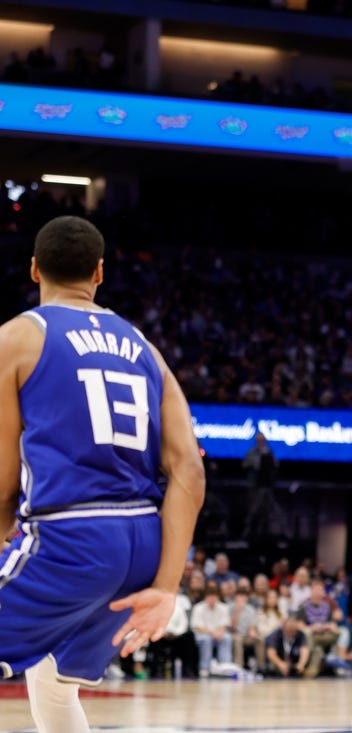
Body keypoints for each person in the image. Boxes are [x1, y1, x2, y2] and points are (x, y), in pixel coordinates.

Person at [0, 215, 205, 732]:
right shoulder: (145, 348)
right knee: (50, 679)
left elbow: (2, 479)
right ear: (99, 273)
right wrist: (165, 585)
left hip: (72, 534)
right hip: (141, 546)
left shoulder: (17, 338)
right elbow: (189, 470)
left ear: (33, 270)